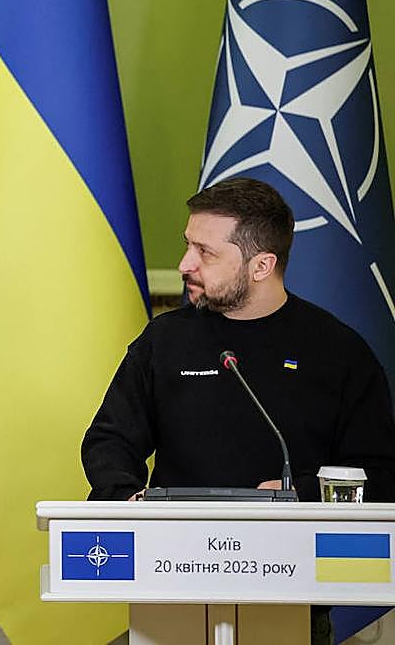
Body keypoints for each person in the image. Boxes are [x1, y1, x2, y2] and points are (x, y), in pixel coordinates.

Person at [82, 177, 395, 504]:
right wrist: (126, 498)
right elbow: (110, 441)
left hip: (296, 546)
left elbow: (379, 476)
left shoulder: (339, 352)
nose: (184, 265)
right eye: (188, 244)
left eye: (205, 252)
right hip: (174, 546)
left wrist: (300, 494)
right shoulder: (164, 340)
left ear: (262, 266)